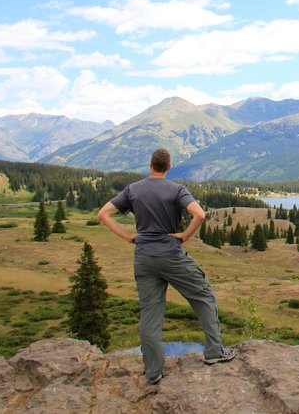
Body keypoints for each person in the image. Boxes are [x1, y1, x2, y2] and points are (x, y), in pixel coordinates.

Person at [98, 148, 235, 385]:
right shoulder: (177, 189)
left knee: (150, 315)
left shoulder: (133, 189)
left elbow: (103, 214)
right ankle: (214, 352)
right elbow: (199, 215)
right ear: (169, 167)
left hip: (144, 258)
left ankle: (153, 372)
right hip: (171, 255)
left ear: (150, 164)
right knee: (203, 296)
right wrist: (184, 236)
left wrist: (129, 237)